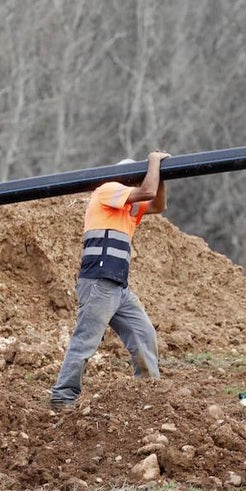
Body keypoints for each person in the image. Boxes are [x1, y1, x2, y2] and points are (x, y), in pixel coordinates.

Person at [49, 151, 170, 411]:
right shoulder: (108, 190)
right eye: (136, 179)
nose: (139, 184)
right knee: (86, 340)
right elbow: (147, 192)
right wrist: (154, 163)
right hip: (99, 282)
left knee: (143, 333)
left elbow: (158, 205)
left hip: (117, 285)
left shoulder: (127, 209)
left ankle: (148, 391)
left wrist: (161, 175)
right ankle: (63, 396)